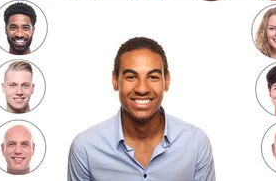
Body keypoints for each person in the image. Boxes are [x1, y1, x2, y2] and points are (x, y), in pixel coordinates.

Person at [68, 37, 215, 180]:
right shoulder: (85, 148)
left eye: (153, 77)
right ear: (115, 80)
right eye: (131, 77)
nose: (142, 89)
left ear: (166, 81)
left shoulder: (195, 143)